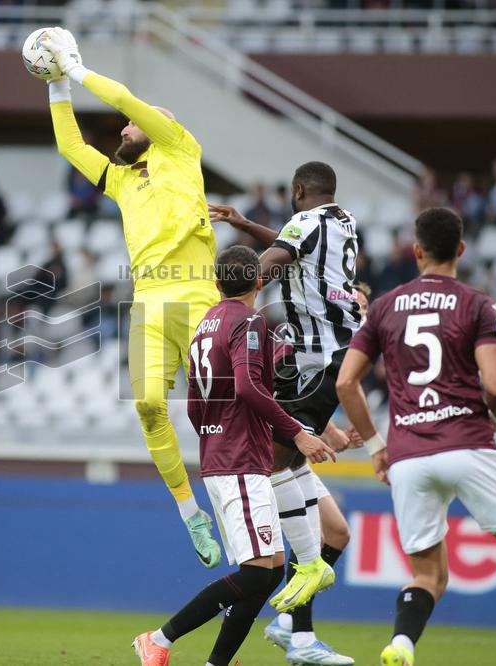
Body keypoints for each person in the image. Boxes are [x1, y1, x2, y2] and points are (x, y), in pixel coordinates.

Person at [335, 208, 496, 666]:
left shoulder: (384, 306)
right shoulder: (476, 303)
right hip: (468, 444)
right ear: (461, 249)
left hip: (409, 455)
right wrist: (494, 419)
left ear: (416, 250)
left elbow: (345, 383)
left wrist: (377, 448)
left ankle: (401, 645)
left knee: (428, 575)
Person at [39, 27, 222, 566]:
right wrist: (57, 88)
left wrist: (77, 69)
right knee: (146, 405)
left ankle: (263, 494)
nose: (122, 125)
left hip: (198, 294)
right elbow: (71, 146)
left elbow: (124, 99)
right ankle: (192, 514)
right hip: (147, 301)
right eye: (124, 123)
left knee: (225, 405)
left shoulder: (181, 148)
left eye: (131, 122)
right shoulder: (122, 180)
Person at [132, 245, 337, 666]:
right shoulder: (250, 321)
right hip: (239, 459)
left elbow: (194, 404)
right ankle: (159, 638)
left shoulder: (205, 324)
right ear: (259, 282)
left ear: (216, 283)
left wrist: (214, 432)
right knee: (258, 572)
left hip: (223, 457)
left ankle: (216, 663)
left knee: (273, 569)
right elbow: (247, 387)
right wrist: (297, 433)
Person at [209, 162, 363, 666]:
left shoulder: (305, 224)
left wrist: (229, 279)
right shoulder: (342, 222)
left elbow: (264, 268)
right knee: (329, 517)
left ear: (298, 191)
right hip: (334, 354)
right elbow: (298, 245)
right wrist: (249, 225)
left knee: (274, 460)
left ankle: (308, 572)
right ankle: (296, 631)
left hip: (314, 359)